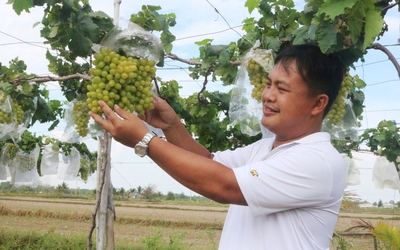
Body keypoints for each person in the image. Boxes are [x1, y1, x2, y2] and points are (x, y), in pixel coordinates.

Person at [89, 44, 347, 250]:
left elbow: (224, 185)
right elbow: (210, 163)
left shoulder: (318, 160)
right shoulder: (265, 148)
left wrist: (145, 141)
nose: (267, 95)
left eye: (282, 88)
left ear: (317, 104)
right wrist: (171, 126)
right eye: (269, 84)